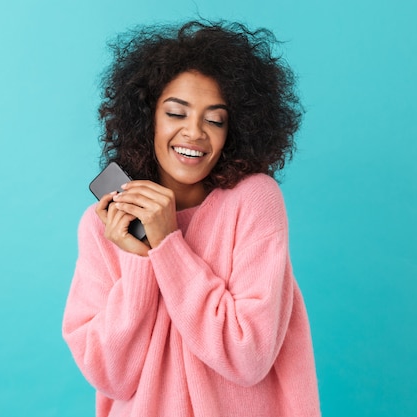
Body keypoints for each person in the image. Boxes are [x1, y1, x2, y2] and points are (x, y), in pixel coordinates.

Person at [62, 20, 321, 417]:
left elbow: (247, 355)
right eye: (176, 113)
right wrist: (140, 260)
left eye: (214, 120)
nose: (194, 132)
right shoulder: (104, 225)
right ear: (148, 118)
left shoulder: (254, 201)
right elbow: (109, 375)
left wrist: (168, 246)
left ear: (234, 130)